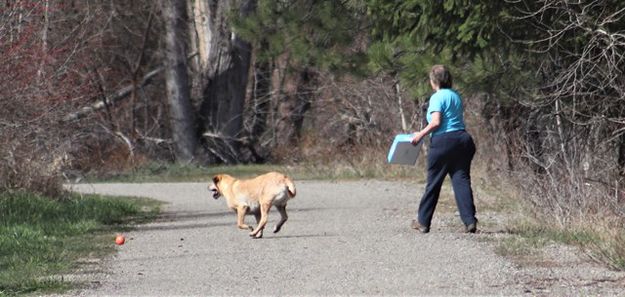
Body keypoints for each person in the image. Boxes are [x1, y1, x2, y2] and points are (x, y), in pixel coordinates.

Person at [410, 65, 478, 233]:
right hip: (463, 140)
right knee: (461, 180)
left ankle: (423, 222)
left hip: (443, 141)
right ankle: (469, 220)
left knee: (433, 183)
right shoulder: (456, 96)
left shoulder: (437, 97)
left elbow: (436, 122)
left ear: (434, 81)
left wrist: (420, 134)